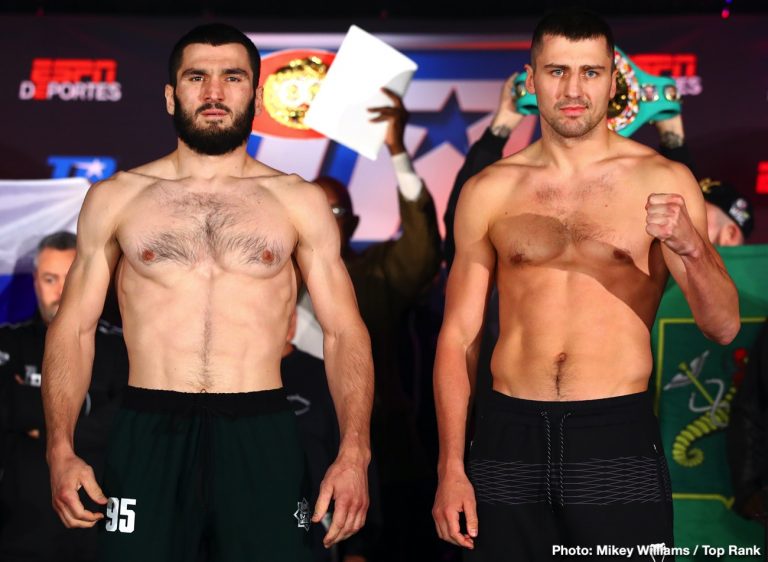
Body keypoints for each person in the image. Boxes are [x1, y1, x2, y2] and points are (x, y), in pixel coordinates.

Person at [41, 23, 373, 562]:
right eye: (197, 77)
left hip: (260, 428)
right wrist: (60, 448)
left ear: (256, 94)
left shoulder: (297, 201)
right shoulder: (117, 197)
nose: (214, 93)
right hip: (148, 428)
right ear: (172, 95)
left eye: (232, 77)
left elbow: (342, 332)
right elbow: (74, 328)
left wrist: (354, 452)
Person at [431, 10, 740, 561]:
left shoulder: (663, 179)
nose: (573, 90)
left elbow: (722, 326)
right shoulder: (489, 190)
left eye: (591, 73)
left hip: (614, 432)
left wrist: (692, 245)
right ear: (531, 78)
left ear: (613, 78)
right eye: (557, 71)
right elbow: (458, 337)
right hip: (509, 436)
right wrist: (451, 466)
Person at [307, 89, 442, 561]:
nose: (325, 219)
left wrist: (397, 151)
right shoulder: (269, 282)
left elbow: (423, 252)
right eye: (315, 209)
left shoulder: (377, 275)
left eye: (337, 211)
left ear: (354, 222)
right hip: (293, 447)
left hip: (378, 452)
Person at [0, 231, 128, 562]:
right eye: (49, 278)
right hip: (19, 530)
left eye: (69, 277)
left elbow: (127, 419)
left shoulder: (121, 346)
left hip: (98, 528)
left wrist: (43, 428)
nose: (59, 291)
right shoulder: (7, 342)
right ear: (34, 282)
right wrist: (82, 416)